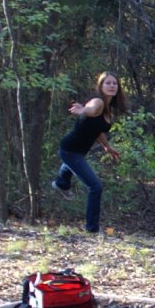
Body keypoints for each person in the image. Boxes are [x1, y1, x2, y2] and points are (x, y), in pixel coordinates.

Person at [52, 72, 123, 234]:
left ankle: (61, 183)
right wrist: (83, 110)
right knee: (96, 187)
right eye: (108, 83)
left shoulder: (107, 109)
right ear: (101, 86)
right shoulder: (98, 102)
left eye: (114, 83)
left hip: (78, 152)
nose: (112, 86)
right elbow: (91, 110)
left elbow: (97, 130)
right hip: (70, 150)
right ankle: (92, 229)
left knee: (70, 167)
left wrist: (106, 146)